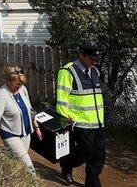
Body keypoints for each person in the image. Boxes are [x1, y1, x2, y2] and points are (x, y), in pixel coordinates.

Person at [56, 42, 106, 187]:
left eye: (96, 59)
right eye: (91, 58)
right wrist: (64, 122)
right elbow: (62, 99)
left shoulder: (95, 71)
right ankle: (67, 165)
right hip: (80, 123)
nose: (94, 61)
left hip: (98, 123)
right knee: (86, 152)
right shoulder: (67, 72)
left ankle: (92, 183)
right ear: (81, 55)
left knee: (98, 156)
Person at [0, 65, 42, 175]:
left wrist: (36, 127)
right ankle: (35, 182)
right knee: (28, 166)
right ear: (8, 80)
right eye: (16, 83)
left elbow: (30, 110)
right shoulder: (2, 95)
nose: (19, 86)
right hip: (10, 134)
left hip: (26, 132)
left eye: (21, 83)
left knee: (17, 162)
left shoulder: (22, 89)